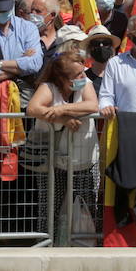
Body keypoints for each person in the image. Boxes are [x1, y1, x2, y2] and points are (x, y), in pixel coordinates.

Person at [26, 46, 100, 245]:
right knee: (50, 208)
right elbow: (33, 108)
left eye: (83, 71)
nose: (83, 76)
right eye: (77, 74)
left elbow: (92, 105)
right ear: (63, 79)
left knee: (86, 206)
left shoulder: (85, 84)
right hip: (53, 162)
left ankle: (84, 246)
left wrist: (62, 110)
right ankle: (48, 245)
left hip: (84, 160)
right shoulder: (48, 87)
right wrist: (65, 119)